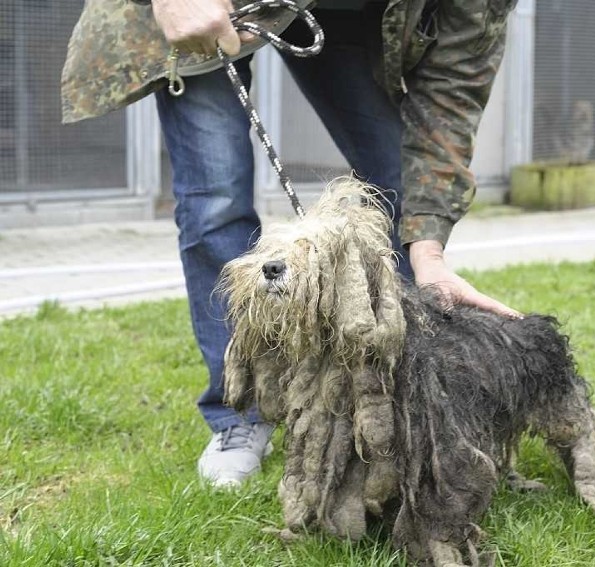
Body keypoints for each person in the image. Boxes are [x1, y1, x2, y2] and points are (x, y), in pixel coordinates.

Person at [62, 0, 520, 487]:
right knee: (216, 197)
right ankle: (239, 411)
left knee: (398, 181)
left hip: (344, 13)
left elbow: (452, 92)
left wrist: (429, 255)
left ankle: (390, 399)